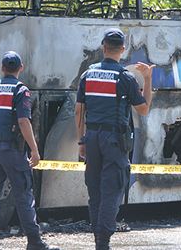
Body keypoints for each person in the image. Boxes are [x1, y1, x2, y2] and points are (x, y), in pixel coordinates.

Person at [75, 28, 154, 250]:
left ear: (103, 47)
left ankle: (97, 239)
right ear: (122, 49)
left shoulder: (88, 74)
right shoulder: (125, 77)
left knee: (95, 191)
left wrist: (81, 141)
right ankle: (103, 243)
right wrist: (147, 80)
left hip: (91, 137)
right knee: (112, 190)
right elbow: (144, 110)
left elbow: (79, 110)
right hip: (114, 140)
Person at [0, 51, 59, 250]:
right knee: (24, 195)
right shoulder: (20, 90)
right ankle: (34, 242)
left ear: (1, 68)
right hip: (12, 151)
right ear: (21, 68)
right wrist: (34, 150)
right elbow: (24, 121)